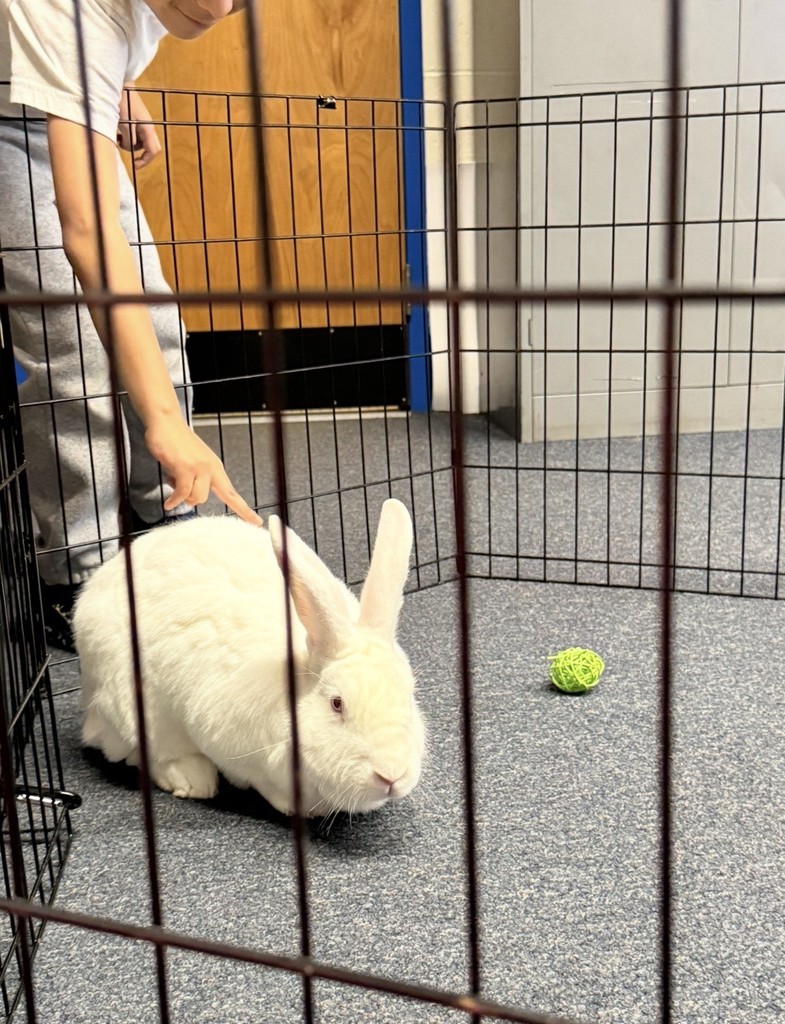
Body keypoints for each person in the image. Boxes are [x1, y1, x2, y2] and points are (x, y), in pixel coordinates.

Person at [0, 0, 258, 651]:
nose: (223, 6)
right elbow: (83, 232)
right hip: (4, 121)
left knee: (156, 327)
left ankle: (165, 522)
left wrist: (121, 87)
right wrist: (166, 422)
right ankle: (77, 574)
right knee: (73, 348)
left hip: (58, 100)